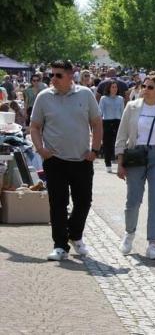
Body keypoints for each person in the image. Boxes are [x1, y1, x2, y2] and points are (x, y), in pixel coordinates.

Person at [30, 60, 103, 261]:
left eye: (58, 75)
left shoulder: (85, 94)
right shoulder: (44, 97)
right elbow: (34, 126)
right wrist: (41, 150)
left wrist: (95, 150)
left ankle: (75, 235)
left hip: (82, 159)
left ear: (71, 76)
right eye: (51, 75)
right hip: (55, 160)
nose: (53, 79)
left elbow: (96, 123)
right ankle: (60, 245)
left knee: (84, 201)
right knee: (58, 203)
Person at [115, 75, 155, 260]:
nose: (145, 89)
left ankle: (152, 243)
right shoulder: (132, 106)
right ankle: (129, 233)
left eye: (150, 87)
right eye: (143, 86)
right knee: (133, 199)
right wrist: (120, 162)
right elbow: (121, 136)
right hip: (136, 155)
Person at [99, 80, 125, 173]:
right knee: (107, 143)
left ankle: (118, 162)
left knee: (118, 143)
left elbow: (123, 112)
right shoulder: (103, 98)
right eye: (112, 87)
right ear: (109, 88)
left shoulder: (120, 98)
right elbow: (100, 112)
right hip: (107, 121)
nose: (114, 89)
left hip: (118, 121)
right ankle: (108, 163)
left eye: (116, 87)